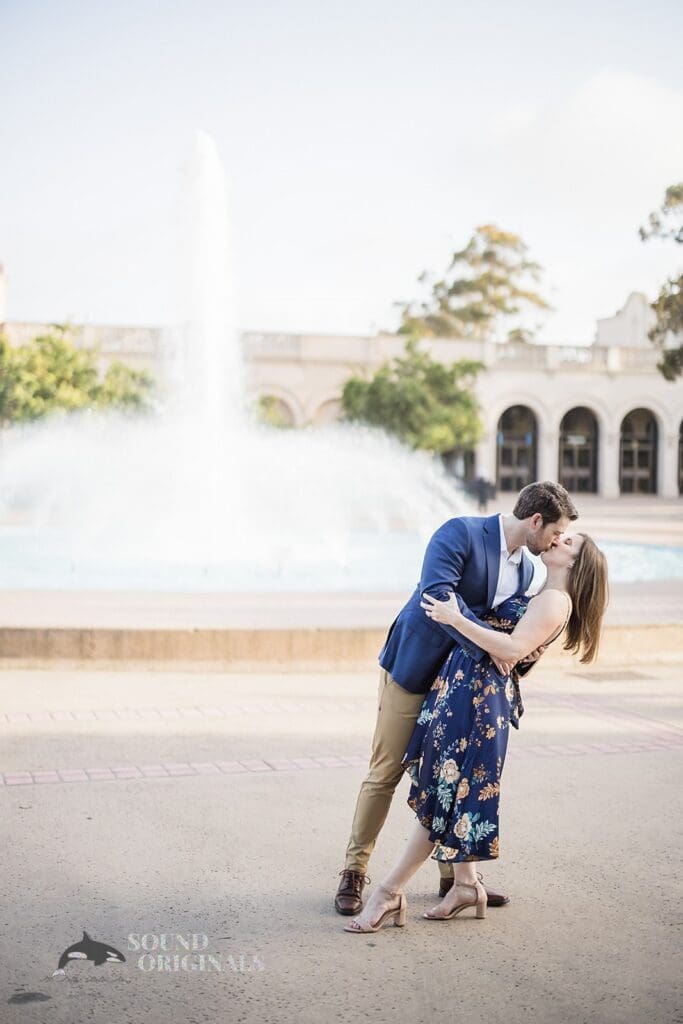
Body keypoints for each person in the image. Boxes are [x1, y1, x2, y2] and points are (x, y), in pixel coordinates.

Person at [334, 480, 579, 917]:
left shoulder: (527, 569)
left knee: (446, 775)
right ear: (535, 520)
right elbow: (436, 596)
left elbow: (509, 632)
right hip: (414, 668)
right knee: (386, 771)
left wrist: (522, 653)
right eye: (555, 531)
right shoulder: (460, 532)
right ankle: (354, 870)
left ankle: (457, 878)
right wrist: (489, 648)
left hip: (459, 690)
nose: (557, 540)